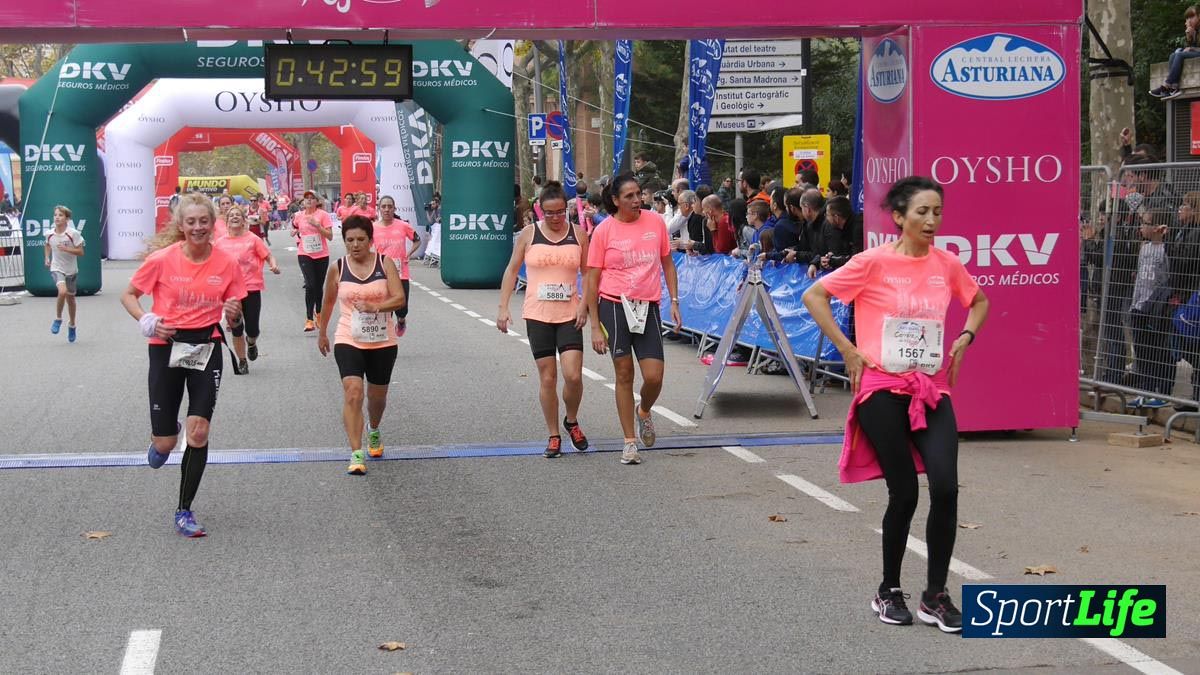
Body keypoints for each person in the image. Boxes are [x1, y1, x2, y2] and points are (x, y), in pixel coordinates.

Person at [802, 176, 989, 633]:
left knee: (945, 487)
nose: (931, 220)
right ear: (900, 217)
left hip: (931, 389)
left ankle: (935, 596)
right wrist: (848, 350)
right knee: (904, 492)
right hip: (882, 388)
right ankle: (888, 590)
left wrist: (965, 337)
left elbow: (980, 301)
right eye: (922, 212)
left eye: (937, 212)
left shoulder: (947, 264)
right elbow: (815, 295)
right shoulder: (873, 261)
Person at [119, 192, 246, 538]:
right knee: (165, 443)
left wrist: (234, 315)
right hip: (166, 346)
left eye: (204, 221)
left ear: (213, 223)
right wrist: (147, 321)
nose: (198, 227)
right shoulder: (162, 260)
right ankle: (165, 434)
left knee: (199, 430)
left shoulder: (226, 263)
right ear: (181, 225)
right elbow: (128, 295)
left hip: (207, 344)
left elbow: (235, 314)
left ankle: (184, 510)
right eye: (191, 222)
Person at [585, 173, 681, 465]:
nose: (637, 200)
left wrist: (675, 301)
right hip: (614, 305)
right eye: (629, 196)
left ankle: (644, 411)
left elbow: (667, 263)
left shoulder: (655, 222)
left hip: (647, 306)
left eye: (639, 194)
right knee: (624, 373)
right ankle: (629, 442)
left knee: (654, 377)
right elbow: (592, 279)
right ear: (615, 200)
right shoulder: (604, 231)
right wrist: (594, 326)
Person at [497, 181, 591, 458]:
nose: (555, 218)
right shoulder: (529, 234)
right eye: (549, 213)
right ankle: (553, 434)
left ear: (567, 209)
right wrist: (503, 307)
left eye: (560, 211)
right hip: (538, 314)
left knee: (573, 376)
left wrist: (584, 305)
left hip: (569, 314)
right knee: (548, 378)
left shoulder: (578, 234)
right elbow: (511, 270)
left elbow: (589, 274)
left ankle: (571, 420)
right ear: (540, 210)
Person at [317, 215, 407, 475]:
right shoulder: (337, 267)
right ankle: (356, 452)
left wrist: (375, 306)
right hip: (349, 336)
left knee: (377, 398)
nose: (355, 245)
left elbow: (399, 298)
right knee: (353, 392)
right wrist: (322, 333)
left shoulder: (384, 263)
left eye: (360, 239)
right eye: (350, 240)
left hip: (382, 340)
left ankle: (373, 429)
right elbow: (328, 302)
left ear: (370, 240)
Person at [214, 205, 280, 374]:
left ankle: (251, 342)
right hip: (230, 291)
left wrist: (273, 265)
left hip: (251, 287)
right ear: (227, 222)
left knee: (252, 328)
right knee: (236, 327)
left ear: (244, 220)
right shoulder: (220, 243)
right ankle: (242, 361)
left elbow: (268, 256)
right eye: (231, 216)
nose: (234, 217)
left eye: (238, 215)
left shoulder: (253, 239)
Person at [371, 195, 421, 337]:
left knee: (402, 307)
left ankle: (401, 321)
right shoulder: (373, 228)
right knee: (386, 307)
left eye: (390, 206)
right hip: (382, 273)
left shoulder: (403, 225)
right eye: (383, 206)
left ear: (394, 209)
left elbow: (417, 240)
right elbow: (366, 246)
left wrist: (409, 254)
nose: (387, 209)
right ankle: (385, 335)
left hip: (401, 273)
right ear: (379, 209)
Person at [291, 189, 334, 332]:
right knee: (310, 285)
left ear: (317, 201)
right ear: (303, 202)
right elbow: (295, 227)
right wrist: (294, 231)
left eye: (312, 198)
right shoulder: (298, 216)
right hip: (305, 253)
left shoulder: (323, 215)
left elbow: (330, 236)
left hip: (321, 255)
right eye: (306, 198)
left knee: (318, 286)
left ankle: (319, 313)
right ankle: (309, 319)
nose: (309, 200)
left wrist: (317, 225)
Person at [43, 205, 84, 342]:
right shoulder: (49, 234)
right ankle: (58, 318)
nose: (57, 217)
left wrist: (67, 249)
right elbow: (47, 244)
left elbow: (81, 252)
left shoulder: (73, 234)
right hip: (57, 267)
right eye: (55, 215)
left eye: (60, 215)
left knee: (71, 300)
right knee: (62, 292)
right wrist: (47, 258)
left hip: (71, 270)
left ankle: (72, 325)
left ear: (67, 219)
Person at [1150, 4, 1200, 99]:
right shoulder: (1195, 30)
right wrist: (1189, 37)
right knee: (1174, 54)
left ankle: (1167, 86)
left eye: (1192, 17)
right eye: (1188, 18)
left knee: (1180, 55)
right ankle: (1174, 87)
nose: (1189, 20)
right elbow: (1190, 48)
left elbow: (1193, 49)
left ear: (1199, 16)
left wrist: (1192, 48)